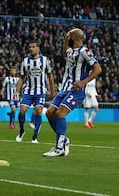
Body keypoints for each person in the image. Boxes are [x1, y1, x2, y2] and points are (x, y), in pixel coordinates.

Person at [43, 28, 102, 157]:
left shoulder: (84, 51)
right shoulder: (70, 51)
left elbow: (98, 69)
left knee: (60, 114)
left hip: (77, 90)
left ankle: (60, 148)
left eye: (69, 36)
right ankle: (64, 140)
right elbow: (64, 51)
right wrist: (65, 39)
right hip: (64, 89)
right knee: (49, 113)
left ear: (74, 38)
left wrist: (83, 82)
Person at [14, 41, 56, 144]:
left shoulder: (45, 60)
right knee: (22, 111)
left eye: (33, 47)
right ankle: (21, 130)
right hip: (28, 91)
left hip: (40, 91)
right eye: (30, 47)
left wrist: (52, 90)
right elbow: (21, 78)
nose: (31, 49)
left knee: (38, 111)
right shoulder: (25, 61)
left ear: (38, 48)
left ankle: (35, 136)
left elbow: (50, 75)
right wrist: (17, 91)